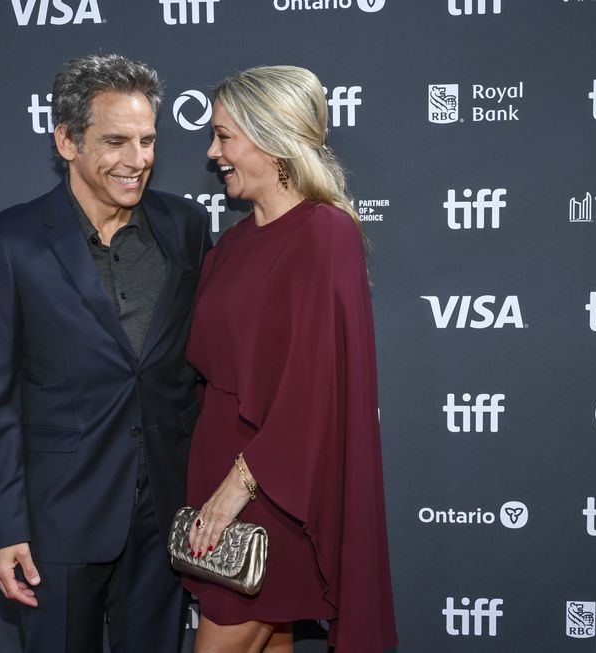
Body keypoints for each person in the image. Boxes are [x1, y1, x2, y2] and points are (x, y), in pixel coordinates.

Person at [0, 53, 211, 653]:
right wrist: (4, 528)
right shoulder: (12, 239)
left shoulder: (185, 226)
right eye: (117, 141)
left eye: (149, 140)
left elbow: (202, 368)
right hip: (59, 517)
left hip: (167, 515)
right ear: (67, 141)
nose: (138, 160)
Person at [183, 65, 398, 652]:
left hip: (273, 491)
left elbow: (315, 387)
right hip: (220, 474)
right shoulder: (230, 245)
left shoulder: (325, 234)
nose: (212, 152)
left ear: (272, 138)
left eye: (224, 136)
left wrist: (236, 488)